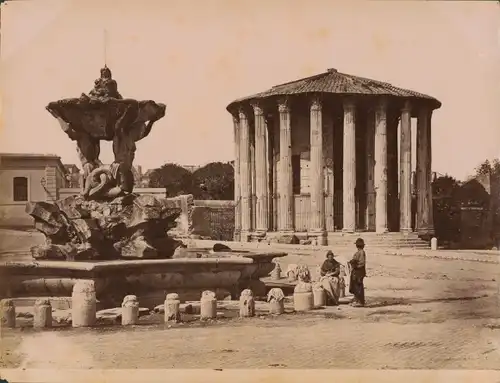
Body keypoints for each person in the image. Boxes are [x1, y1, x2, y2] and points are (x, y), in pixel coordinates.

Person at [348, 238, 367, 307]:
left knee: (358, 286)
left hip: (359, 272)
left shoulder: (361, 252)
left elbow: (362, 263)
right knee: (355, 286)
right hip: (356, 272)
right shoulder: (359, 252)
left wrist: (355, 265)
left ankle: (360, 302)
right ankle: (357, 300)